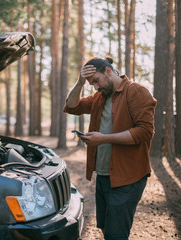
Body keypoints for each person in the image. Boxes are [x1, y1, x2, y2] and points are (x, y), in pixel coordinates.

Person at [63, 57, 157, 240]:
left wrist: (104, 138)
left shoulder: (136, 91)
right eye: (92, 84)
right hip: (104, 176)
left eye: (95, 81)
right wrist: (81, 81)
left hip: (127, 178)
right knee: (106, 228)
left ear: (108, 71)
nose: (95, 87)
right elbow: (72, 106)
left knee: (116, 235)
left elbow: (145, 131)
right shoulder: (100, 96)